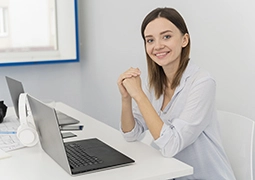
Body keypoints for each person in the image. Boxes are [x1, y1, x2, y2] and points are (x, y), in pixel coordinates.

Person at [117, 7, 236, 180]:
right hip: (172, 175)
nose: (157, 46)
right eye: (150, 40)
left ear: (184, 40)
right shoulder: (155, 84)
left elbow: (171, 145)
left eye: (166, 36)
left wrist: (139, 95)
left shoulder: (202, 82)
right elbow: (131, 134)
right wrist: (126, 98)